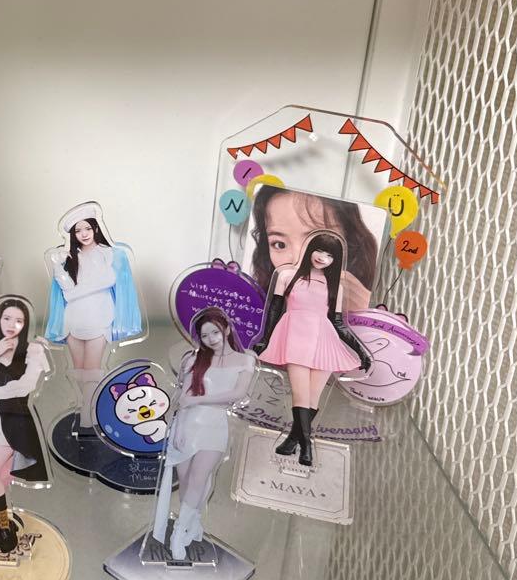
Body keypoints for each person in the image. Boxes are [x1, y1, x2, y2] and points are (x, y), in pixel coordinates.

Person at [253, 231, 372, 466]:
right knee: (301, 394)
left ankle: (293, 440)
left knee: (313, 398)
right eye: (319, 250)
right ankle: (307, 446)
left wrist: (361, 350)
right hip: (295, 338)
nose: (322, 257)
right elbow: (274, 309)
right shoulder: (287, 276)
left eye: (330, 255)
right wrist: (265, 339)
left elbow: (338, 323)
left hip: (323, 340)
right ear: (310, 249)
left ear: (335, 260)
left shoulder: (334, 285)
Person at [153, 309, 254, 560]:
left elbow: (238, 393)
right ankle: (194, 522)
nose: (211, 339)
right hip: (187, 425)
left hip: (214, 425)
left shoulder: (245, 360)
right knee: (186, 482)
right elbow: (184, 397)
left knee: (199, 478)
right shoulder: (195, 359)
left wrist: (200, 400)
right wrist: (178, 428)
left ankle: (179, 532)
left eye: (215, 332)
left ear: (226, 329)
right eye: (205, 335)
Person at [44, 202, 142, 434]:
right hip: (73, 319)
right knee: (79, 370)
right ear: (73, 235)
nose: (84, 234)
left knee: (92, 368)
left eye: (87, 228)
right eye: (78, 231)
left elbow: (106, 280)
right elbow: (66, 288)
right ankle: (89, 407)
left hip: (100, 317)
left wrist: (74, 292)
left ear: (96, 228)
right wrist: (58, 266)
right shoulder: (70, 257)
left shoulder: (110, 254)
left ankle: (87, 418)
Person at [0, 297, 49, 554]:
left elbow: (25, 386)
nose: (11, 324)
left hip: (12, 418)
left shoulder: (33, 350)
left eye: (18, 320)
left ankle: (5, 531)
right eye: (6, 318)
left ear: (25, 324)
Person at [248, 186, 380, 311]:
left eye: (317, 242)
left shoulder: (368, 299)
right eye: (280, 244)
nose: (297, 262)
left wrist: (365, 313)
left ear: (349, 243)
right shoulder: (257, 306)